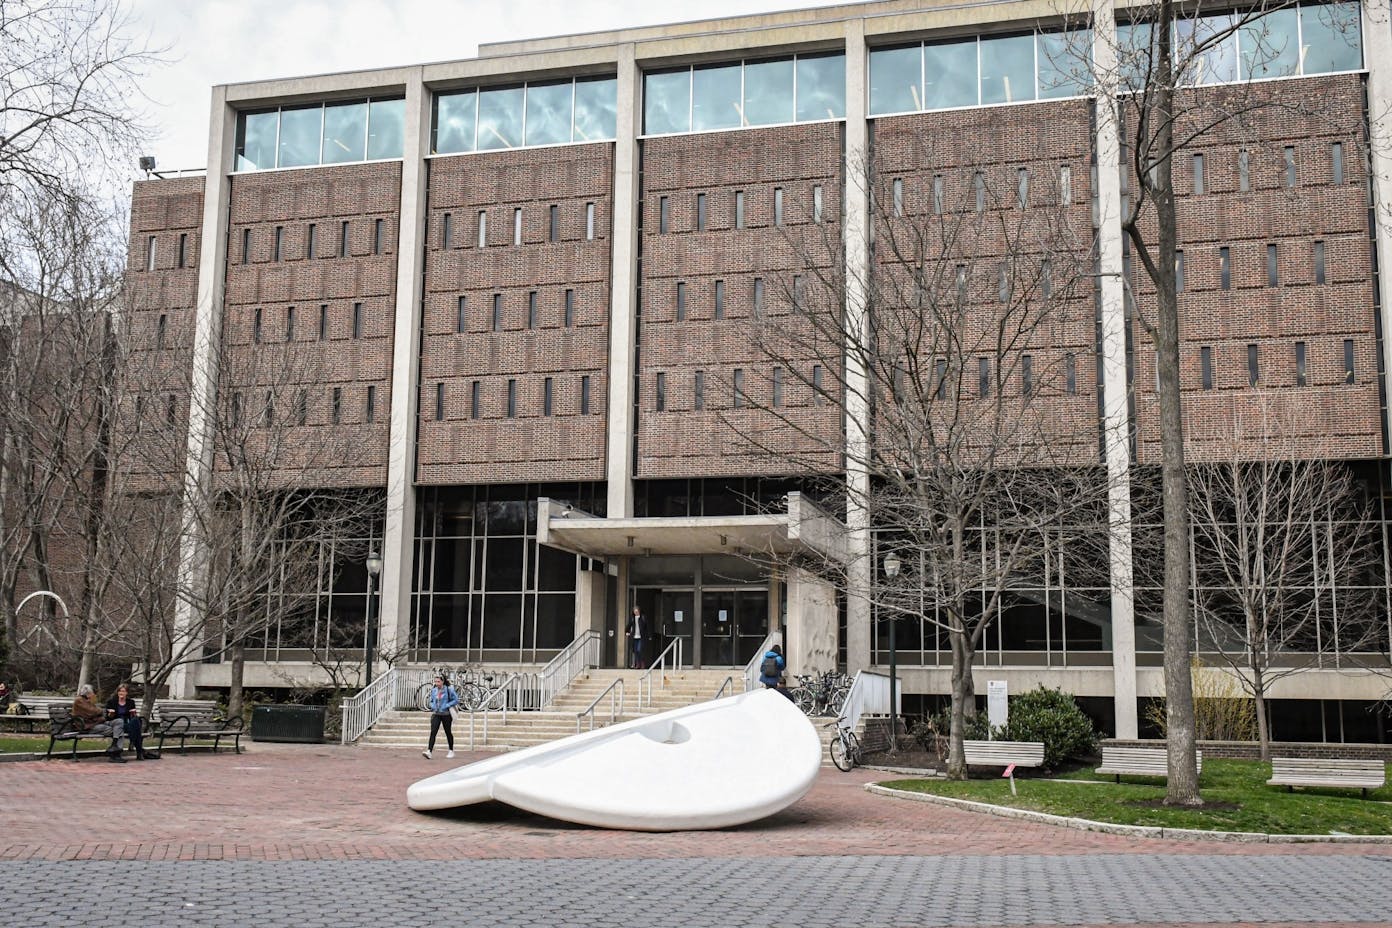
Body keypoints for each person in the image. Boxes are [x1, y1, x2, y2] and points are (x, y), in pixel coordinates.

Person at [71, 684, 123, 763]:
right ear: (87, 693)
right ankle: (116, 754)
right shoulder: (79, 700)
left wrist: (99, 712)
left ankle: (114, 747)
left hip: (97, 723)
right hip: (88, 727)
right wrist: (100, 711)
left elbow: (96, 712)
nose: (94, 695)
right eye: (92, 693)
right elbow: (93, 711)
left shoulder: (87, 700)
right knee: (117, 730)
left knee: (119, 722)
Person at [106, 683, 159, 761]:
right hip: (117, 724)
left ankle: (134, 743)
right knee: (136, 729)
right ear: (117, 692)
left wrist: (133, 714)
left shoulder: (130, 702)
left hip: (128, 724)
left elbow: (132, 717)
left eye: (123, 691)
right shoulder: (112, 702)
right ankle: (139, 751)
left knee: (135, 721)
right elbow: (108, 718)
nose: (121, 693)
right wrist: (111, 714)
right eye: (120, 691)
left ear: (126, 693)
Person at [422, 674, 457, 759]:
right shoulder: (434, 690)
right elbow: (431, 700)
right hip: (436, 713)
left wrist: (447, 705)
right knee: (433, 732)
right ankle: (429, 751)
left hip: (446, 714)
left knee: (448, 732)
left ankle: (451, 750)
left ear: (443, 681)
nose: (437, 683)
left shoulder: (449, 689)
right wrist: (432, 705)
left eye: (438, 681)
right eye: (435, 681)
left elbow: (456, 700)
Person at [626, 605, 648, 669]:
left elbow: (646, 627)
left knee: (640, 650)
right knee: (635, 651)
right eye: (635, 612)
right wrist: (626, 632)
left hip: (641, 637)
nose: (636, 613)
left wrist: (648, 635)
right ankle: (638, 664)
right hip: (634, 637)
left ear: (639, 611)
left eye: (637, 611)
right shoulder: (633, 618)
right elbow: (628, 625)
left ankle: (642, 663)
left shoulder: (643, 617)